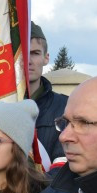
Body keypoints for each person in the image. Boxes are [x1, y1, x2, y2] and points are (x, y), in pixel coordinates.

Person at [28, 22, 68, 164]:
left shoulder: (65, 107)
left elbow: (66, 163)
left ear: (46, 58)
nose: (28, 61)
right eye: (22, 53)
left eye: (35, 53)